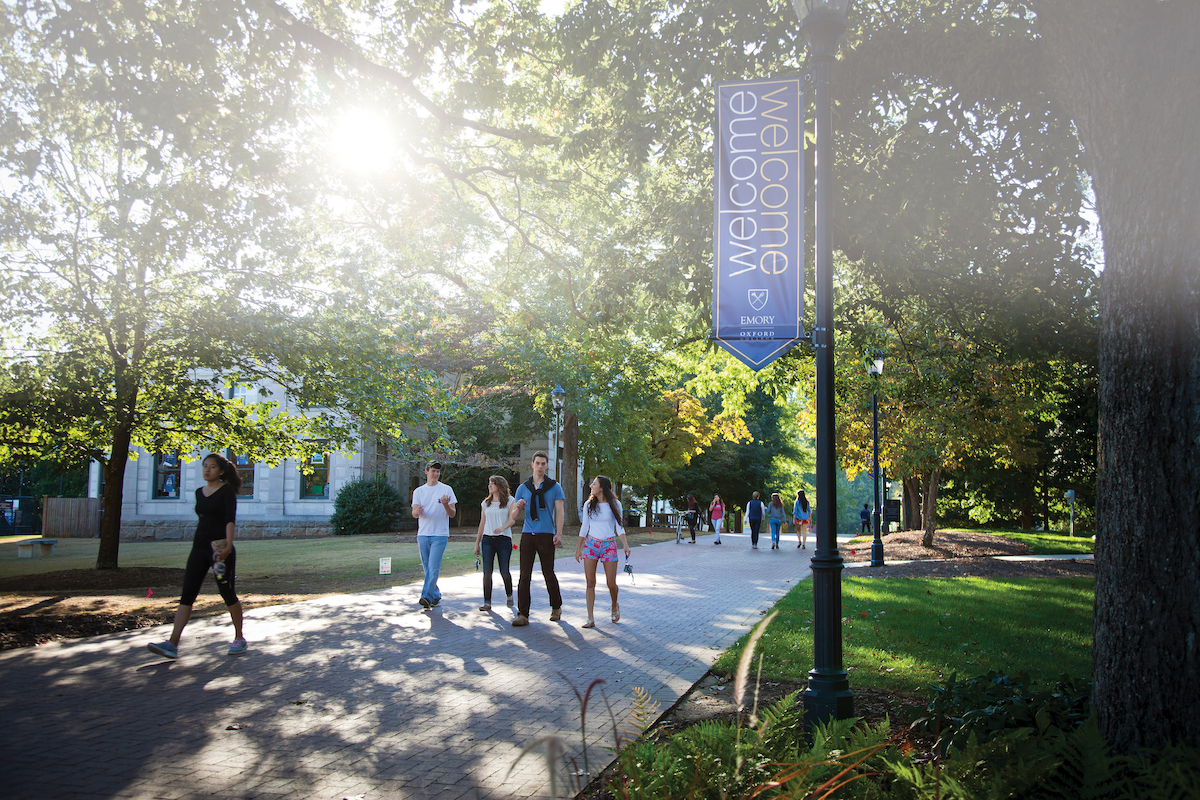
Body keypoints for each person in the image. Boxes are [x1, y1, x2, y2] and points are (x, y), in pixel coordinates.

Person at [148, 453, 246, 660]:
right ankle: (172, 643)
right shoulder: (199, 493)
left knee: (226, 592)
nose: (206, 470)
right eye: (204, 466)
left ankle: (239, 637)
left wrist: (228, 546)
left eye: (211, 467)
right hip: (199, 548)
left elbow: (230, 520)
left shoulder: (226, 492)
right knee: (187, 594)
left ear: (221, 471)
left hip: (219, 550)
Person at [509, 451, 565, 626]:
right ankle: (523, 614)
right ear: (532, 464)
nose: (540, 466)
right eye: (537, 463)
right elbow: (513, 516)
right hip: (528, 535)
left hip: (546, 534)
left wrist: (559, 533)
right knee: (524, 576)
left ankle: (556, 607)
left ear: (546, 466)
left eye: (543, 463)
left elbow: (560, 511)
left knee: (548, 573)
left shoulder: (554, 487)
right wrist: (518, 507)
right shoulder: (523, 488)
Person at [574, 475, 631, 628]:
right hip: (591, 544)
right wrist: (579, 547)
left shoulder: (615, 504)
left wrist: (625, 544)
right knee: (590, 582)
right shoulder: (588, 505)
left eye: (594, 484)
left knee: (611, 584)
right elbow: (584, 526)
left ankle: (614, 604)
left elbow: (619, 526)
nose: (591, 486)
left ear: (602, 488)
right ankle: (590, 618)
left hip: (609, 545)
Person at [412, 461, 458, 609]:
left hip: (440, 534)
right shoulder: (419, 491)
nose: (436, 474)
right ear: (426, 472)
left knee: (433, 566)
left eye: (438, 471)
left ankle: (426, 596)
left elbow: (452, 514)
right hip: (423, 534)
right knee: (427, 567)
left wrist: (445, 504)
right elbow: (413, 513)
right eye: (433, 471)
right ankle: (436, 594)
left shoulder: (447, 490)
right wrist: (417, 512)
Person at [474, 475, 516, 611]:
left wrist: (502, 528)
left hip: (504, 540)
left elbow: (512, 520)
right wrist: (477, 543)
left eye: (492, 483)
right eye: (489, 483)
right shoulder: (485, 503)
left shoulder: (510, 501)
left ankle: (509, 595)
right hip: (487, 540)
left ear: (500, 485)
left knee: (504, 570)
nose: (490, 486)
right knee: (487, 571)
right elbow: (482, 523)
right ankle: (487, 602)